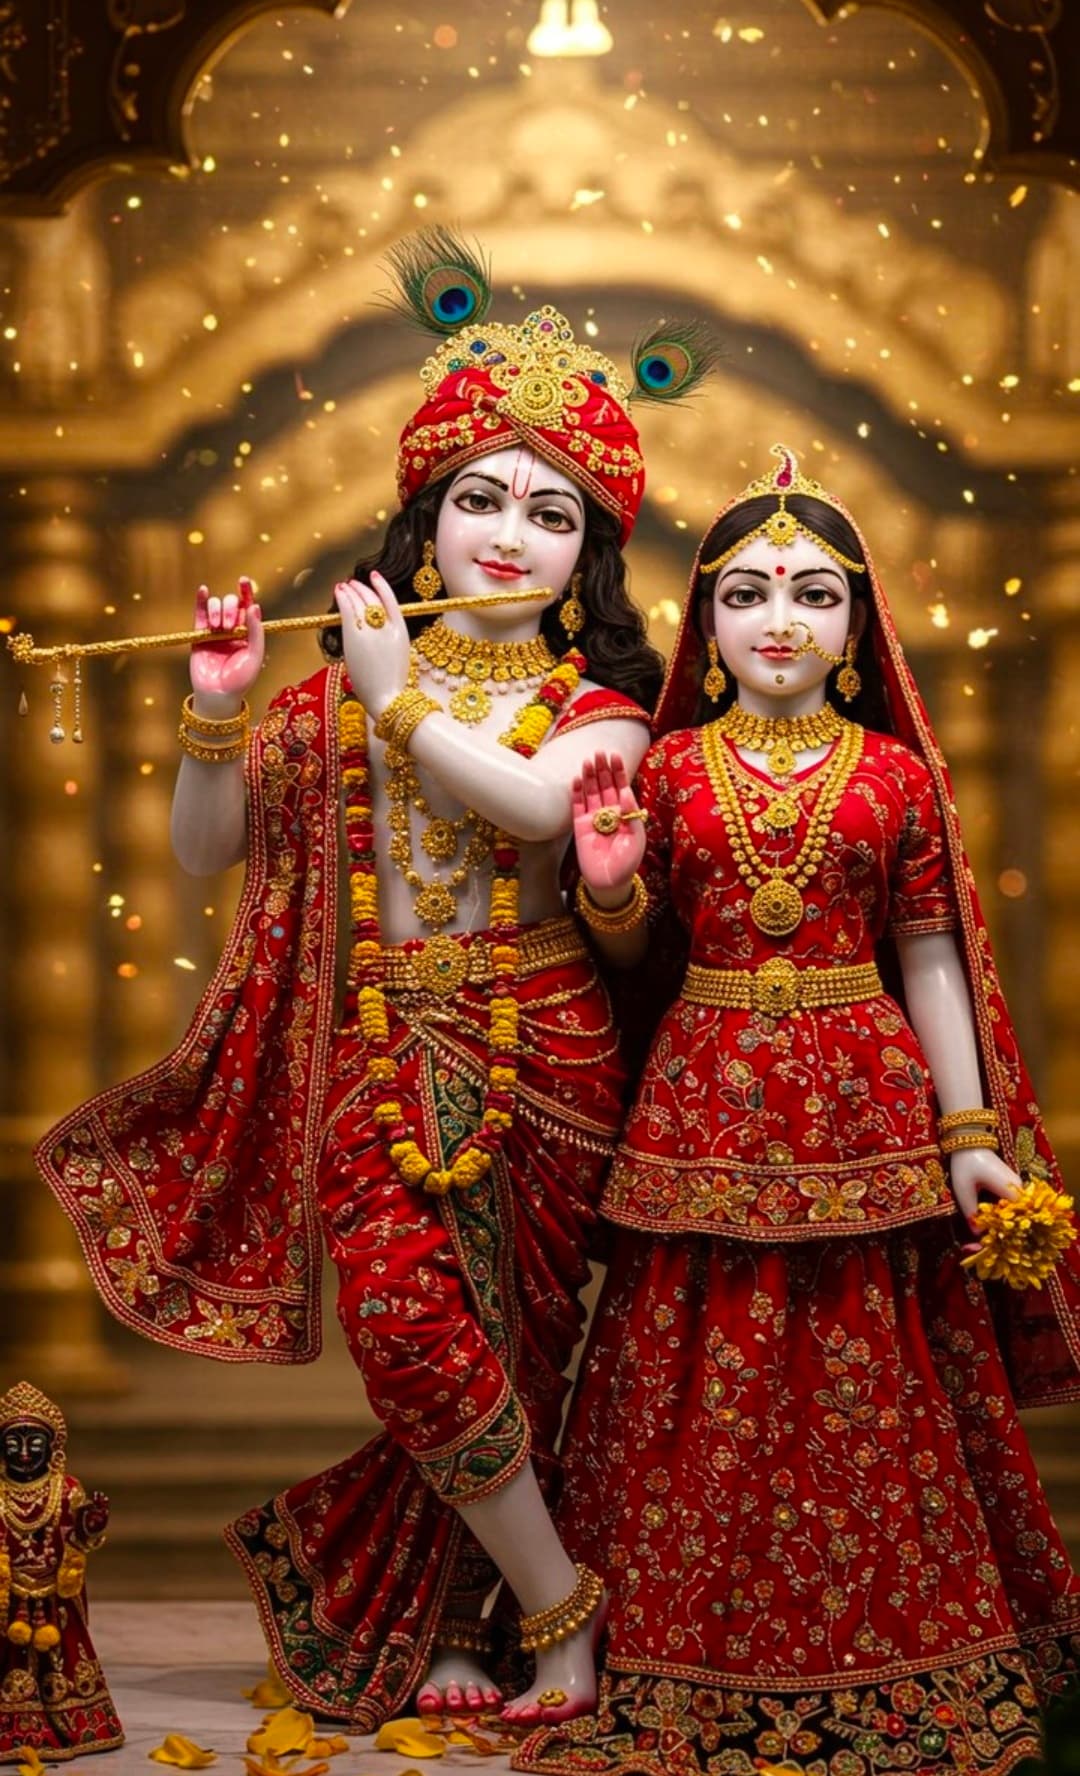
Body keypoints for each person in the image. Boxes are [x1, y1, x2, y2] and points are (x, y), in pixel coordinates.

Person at [35, 233, 719, 1730]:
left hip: (543, 1043)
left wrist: (401, 700)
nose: (507, 535)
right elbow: (212, 849)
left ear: (586, 552)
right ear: (424, 514)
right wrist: (217, 715)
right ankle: (563, 1612)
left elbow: (541, 815)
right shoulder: (336, 685)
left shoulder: (604, 704)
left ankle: (468, 1631)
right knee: (413, 1338)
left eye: (550, 513)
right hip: (378, 1042)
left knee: (518, 1350)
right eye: (478, 498)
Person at [514, 446, 1080, 1774]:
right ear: (705, 625)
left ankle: (898, 1659)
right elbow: (634, 965)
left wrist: (972, 1139)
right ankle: (671, 1657)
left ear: (856, 626)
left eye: (816, 594)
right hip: (701, 1087)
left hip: (865, 1101)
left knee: (869, 1375)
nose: (781, 620)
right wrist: (605, 885)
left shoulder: (893, 776)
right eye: (750, 593)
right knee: (688, 1373)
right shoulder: (660, 772)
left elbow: (934, 952)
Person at [0, 1381, 122, 1762]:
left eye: (34, 1443)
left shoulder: (66, 1490)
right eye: (13, 1442)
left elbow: (78, 1542)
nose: (23, 1453)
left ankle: (73, 1721)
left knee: (63, 1659)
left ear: (52, 1448)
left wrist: (90, 1525)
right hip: (6, 1597)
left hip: (56, 1596)